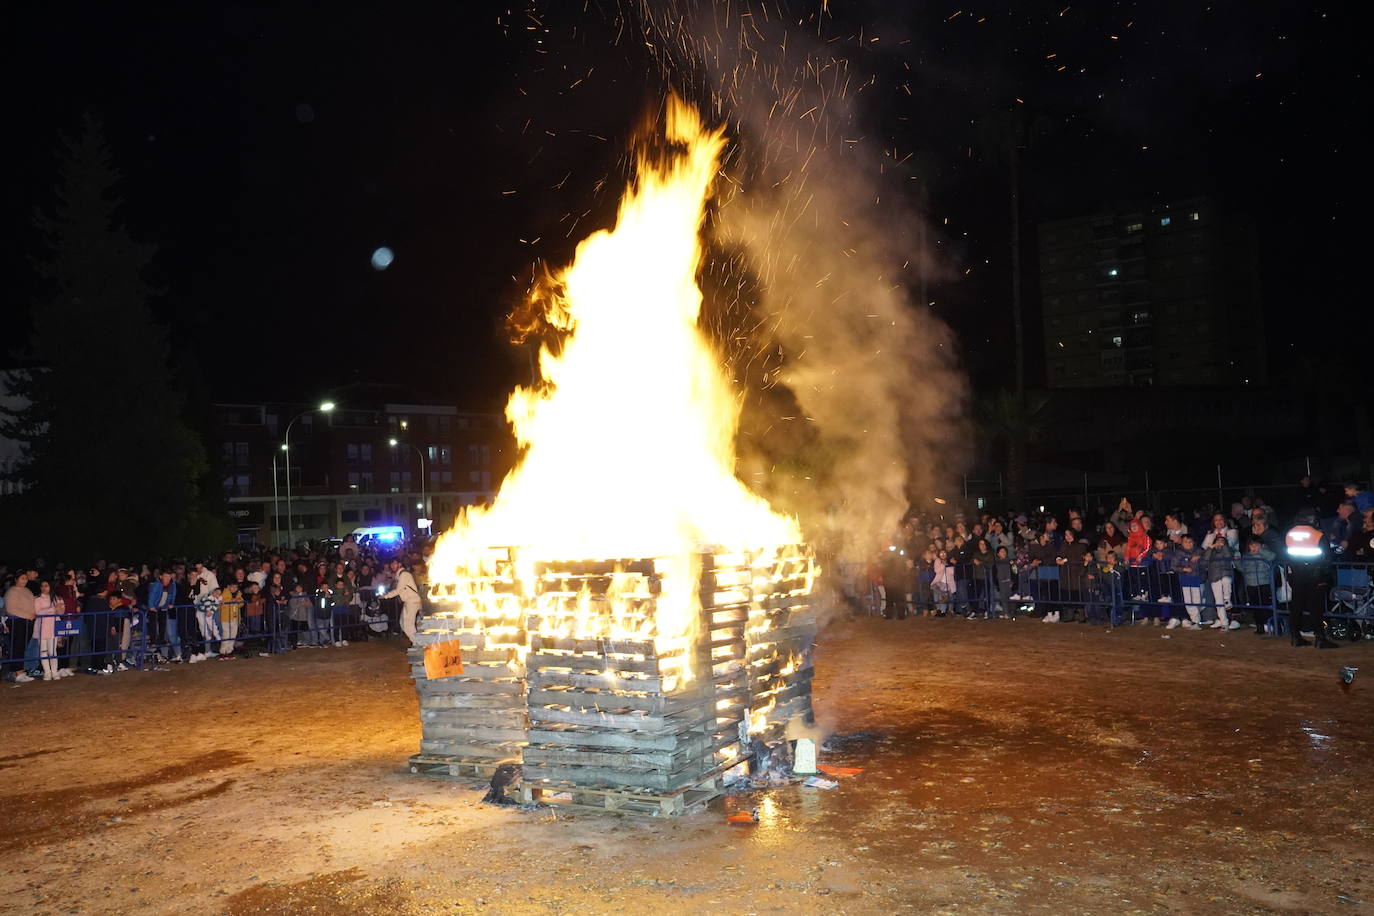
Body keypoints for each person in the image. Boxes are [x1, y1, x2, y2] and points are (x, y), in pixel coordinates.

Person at [1284, 512, 1338, 649]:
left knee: (1296, 606)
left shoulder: (1290, 533)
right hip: (1315, 575)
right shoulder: (1318, 534)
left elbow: (1287, 553)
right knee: (1316, 608)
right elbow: (1327, 557)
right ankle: (1320, 638)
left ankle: (1295, 636)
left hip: (1297, 574)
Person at [3, 572, 41, 682]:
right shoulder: (11, 591)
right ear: (16, 579)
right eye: (22, 578)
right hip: (17, 622)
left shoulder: (28, 591)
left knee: (23, 647)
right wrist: (29, 615)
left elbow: (32, 604)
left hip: (28, 622)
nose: (24, 581)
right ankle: (17, 672)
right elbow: (11, 609)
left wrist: (34, 613)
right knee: (17, 647)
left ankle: (20, 670)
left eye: (26, 579)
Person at [381, 558, 424, 644]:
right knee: (403, 623)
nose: (392, 566)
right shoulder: (399, 575)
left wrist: (385, 596)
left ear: (399, 564)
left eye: (394, 563)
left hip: (412, 601)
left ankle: (418, 644)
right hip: (409, 601)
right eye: (391, 564)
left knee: (408, 624)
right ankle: (417, 642)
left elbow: (398, 590)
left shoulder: (404, 574)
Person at [147, 570, 179, 663]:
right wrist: (151, 605)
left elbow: (173, 595)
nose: (168, 579)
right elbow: (152, 595)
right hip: (155, 607)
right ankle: (153, 640)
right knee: (153, 623)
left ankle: (162, 639)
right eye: (166, 576)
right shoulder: (157, 585)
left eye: (169, 577)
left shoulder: (172, 585)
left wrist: (171, 603)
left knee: (162, 623)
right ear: (161, 577)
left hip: (163, 606)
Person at [34, 580, 62, 681]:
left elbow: (61, 611)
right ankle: (47, 672)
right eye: (42, 586)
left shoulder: (56, 598)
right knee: (43, 651)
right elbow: (38, 612)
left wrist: (57, 608)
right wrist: (53, 609)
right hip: (41, 628)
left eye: (46, 586)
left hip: (53, 627)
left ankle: (54, 672)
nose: (44, 588)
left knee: (52, 651)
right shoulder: (37, 599)